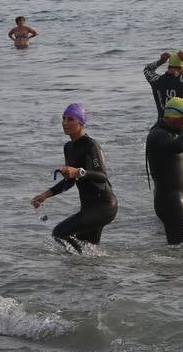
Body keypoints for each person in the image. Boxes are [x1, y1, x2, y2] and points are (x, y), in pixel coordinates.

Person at [30, 103, 117, 251]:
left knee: (59, 233)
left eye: (70, 119)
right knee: (90, 254)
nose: (64, 122)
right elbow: (69, 181)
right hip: (89, 208)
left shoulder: (91, 146)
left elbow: (102, 176)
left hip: (104, 206)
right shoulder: (68, 147)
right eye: (63, 118)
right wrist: (44, 195)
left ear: (81, 122)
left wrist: (79, 172)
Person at [144, 96, 183, 244]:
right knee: (179, 247)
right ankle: (171, 268)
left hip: (178, 200)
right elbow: (179, 147)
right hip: (170, 201)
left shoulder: (171, 132)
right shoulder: (158, 135)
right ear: (175, 118)